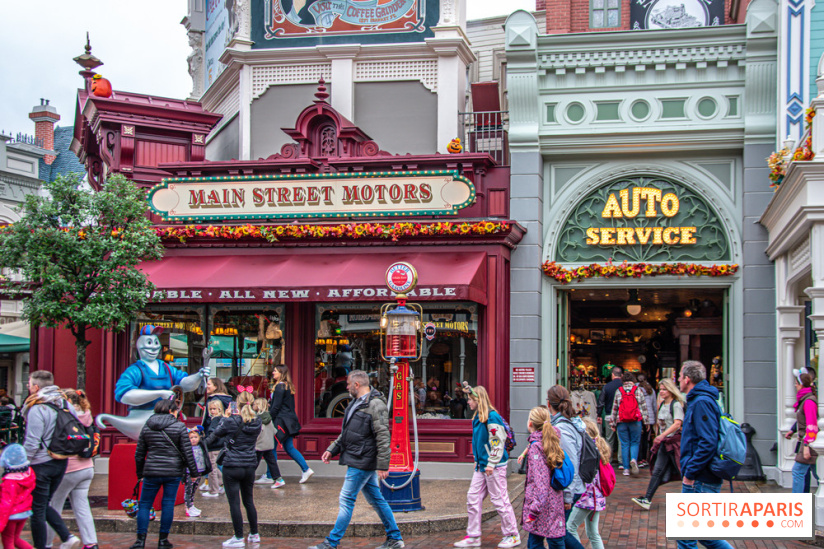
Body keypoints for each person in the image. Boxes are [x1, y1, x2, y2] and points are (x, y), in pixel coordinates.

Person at [309, 370, 404, 549]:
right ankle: (395, 538)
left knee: (346, 500)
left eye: (348, 384)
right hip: (357, 457)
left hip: (362, 460)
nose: (347, 387)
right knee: (377, 500)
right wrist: (332, 449)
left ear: (357, 385)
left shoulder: (375, 405)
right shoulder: (355, 403)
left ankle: (332, 542)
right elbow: (347, 432)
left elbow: (383, 436)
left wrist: (383, 465)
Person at [453, 384, 519, 549]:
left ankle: (512, 534)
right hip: (483, 465)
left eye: (470, 399)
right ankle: (474, 535)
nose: (468, 402)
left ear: (477, 399)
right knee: (473, 497)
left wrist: (491, 462)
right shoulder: (480, 416)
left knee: (499, 500)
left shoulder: (491, 417)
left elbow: (497, 441)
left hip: (492, 466)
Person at [21, 371, 82, 549]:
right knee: (43, 504)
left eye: (29, 384)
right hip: (61, 460)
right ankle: (67, 537)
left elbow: (32, 442)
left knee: (38, 509)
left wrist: (22, 464)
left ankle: (55, 541)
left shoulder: (37, 407)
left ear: (36, 387)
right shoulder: (65, 403)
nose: (28, 387)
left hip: (41, 463)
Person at [677, 361, 733, 549]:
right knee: (706, 536)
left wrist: (690, 473)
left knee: (686, 537)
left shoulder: (701, 402)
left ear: (688, 378)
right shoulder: (701, 400)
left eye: (680, 375)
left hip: (699, 479)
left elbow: (707, 441)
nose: (677, 379)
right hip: (702, 477)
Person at [131, 398, 198, 549]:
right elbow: (188, 452)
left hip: (151, 470)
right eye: (176, 411)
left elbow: (139, 453)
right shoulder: (179, 426)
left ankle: (140, 540)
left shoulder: (147, 426)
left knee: (145, 504)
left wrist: (140, 472)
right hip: (173, 471)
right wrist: (193, 472)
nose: (177, 414)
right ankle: (163, 540)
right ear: (170, 411)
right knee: (167, 503)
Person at [204, 393, 262, 548]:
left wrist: (224, 417)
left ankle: (238, 536)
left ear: (237, 404)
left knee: (234, 502)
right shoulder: (257, 421)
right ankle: (254, 533)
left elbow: (214, 435)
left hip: (232, 465)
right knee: (249, 500)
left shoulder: (230, 421)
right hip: (250, 464)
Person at [45, 390, 99, 549]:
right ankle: (91, 542)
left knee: (53, 507)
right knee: (82, 507)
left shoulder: (65, 415)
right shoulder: (87, 414)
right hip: (87, 466)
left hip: (69, 467)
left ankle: (46, 543)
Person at [632, 378, 685, 510]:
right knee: (657, 471)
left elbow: (677, 423)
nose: (661, 392)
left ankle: (694, 496)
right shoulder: (662, 405)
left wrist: (661, 435)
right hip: (664, 444)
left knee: (682, 470)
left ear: (670, 390)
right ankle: (647, 499)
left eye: (664, 389)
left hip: (674, 443)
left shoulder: (676, 405)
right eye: (660, 389)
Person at [546, 385, 586, 549]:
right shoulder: (570, 422)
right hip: (568, 488)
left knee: (556, 533)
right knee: (558, 532)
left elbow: (572, 464)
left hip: (568, 490)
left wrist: (568, 496)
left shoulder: (562, 428)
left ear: (549, 404)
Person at [521, 406, 566, 549]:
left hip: (542, 506)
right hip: (555, 499)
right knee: (549, 539)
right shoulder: (552, 440)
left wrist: (533, 511)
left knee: (536, 543)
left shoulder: (536, 447)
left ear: (530, 423)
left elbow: (541, 483)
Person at [566, 419, 610, 549]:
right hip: (597, 497)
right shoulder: (598, 449)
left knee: (570, 527)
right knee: (593, 532)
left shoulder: (588, 452)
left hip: (586, 498)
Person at [268, 365, 313, 484]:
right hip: (289, 421)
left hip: (280, 421)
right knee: (289, 447)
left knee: (271, 448)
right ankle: (306, 469)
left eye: (275, 371)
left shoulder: (279, 386)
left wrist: (268, 418)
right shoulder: (287, 386)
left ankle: (271, 475)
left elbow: (276, 407)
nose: (273, 373)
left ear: (281, 373)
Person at [608, 372, 649, 476]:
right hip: (635, 420)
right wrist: (646, 421)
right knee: (635, 442)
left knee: (624, 444)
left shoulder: (619, 391)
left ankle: (626, 468)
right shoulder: (638, 390)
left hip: (621, 421)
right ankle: (634, 459)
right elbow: (643, 407)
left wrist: (612, 423)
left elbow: (615, 408)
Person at [0, 444, 35, 549]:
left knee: (8, 542)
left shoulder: (9, 482)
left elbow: (6, 504)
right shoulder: (29, 474)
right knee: (16, 539)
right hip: (24, 512)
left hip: (11, 516)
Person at [790, 369, 818, 493]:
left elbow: (812, 426)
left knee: (798, 471)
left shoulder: (808, 402)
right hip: (808, 442)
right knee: (817, 473)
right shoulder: (806, 400)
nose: (795, 385)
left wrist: (806, 445)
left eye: (796, 383)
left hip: (808, 443)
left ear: (801, 384)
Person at [252, 397, 284, 488]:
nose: (253, 406)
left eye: (254, 404)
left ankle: (247, 479)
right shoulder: (269, 417)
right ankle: (278, 479)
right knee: (272, 462)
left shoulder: (257, 418)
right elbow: (274, 431)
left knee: (253, 462)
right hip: (268, 444)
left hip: (259, 444)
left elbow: (257, 432)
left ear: (258, 406)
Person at [596, 367, 623, 462]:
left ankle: (608, 459)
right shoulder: (623, 386)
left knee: (609, 438)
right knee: (621, 440)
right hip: (622, 417)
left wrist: (599, 415)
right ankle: (621, 461)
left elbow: (601, 402)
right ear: (622, 375)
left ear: (612, 375)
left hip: (609, 415)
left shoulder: (607, 386)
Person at [184, 427, 211, 517]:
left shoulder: (201, 445)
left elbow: (202, 429)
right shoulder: (187, 448)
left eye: (195, 437)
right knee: (188, 489)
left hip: (199, 470)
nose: (193, 439)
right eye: (191, 438)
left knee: (194, 489)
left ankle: (191, 504)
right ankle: (188, 507)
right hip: (190, 472)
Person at [201, 400, 226, 498]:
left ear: (219, 409)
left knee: (212, 470)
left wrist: (205, 442)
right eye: (210, 409)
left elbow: (213, 434)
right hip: (219, 446)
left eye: (214, 409)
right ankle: (220, 484)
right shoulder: (222, 419)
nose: (212, 411)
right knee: (216, 468)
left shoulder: (215, 420)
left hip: (213, 447)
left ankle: (214, 490)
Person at [636, 374, 657, 468]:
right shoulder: (651, 390)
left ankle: (639, 458)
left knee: (638, 438)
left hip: (638, 416)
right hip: (649, 417)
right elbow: (654, 405)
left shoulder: (635, 389)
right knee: (646, 439)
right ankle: (645, 458)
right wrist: (655, 417)